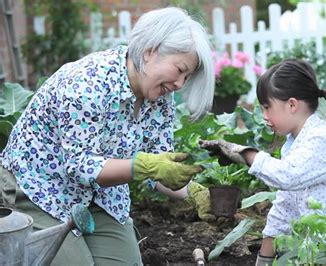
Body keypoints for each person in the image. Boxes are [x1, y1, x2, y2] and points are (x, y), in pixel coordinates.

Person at [0, 7, 214, 265]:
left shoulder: (160, 101)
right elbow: (80, 166)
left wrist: (197, 193)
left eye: (187, 76)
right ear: (149, 52)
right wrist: (143, 166)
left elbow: (158, 171)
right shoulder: (86, 83)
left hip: (100, 195)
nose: (180, 83)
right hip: (40, 189)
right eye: (179, 69)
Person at [200, 58, 326, 265]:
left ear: (292, 105)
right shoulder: (295, 145)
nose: (264, 116)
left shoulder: (321, 139)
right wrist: (263, 261)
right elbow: (284, 209)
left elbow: (287, 176)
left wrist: (246, 154)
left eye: (267, 107)